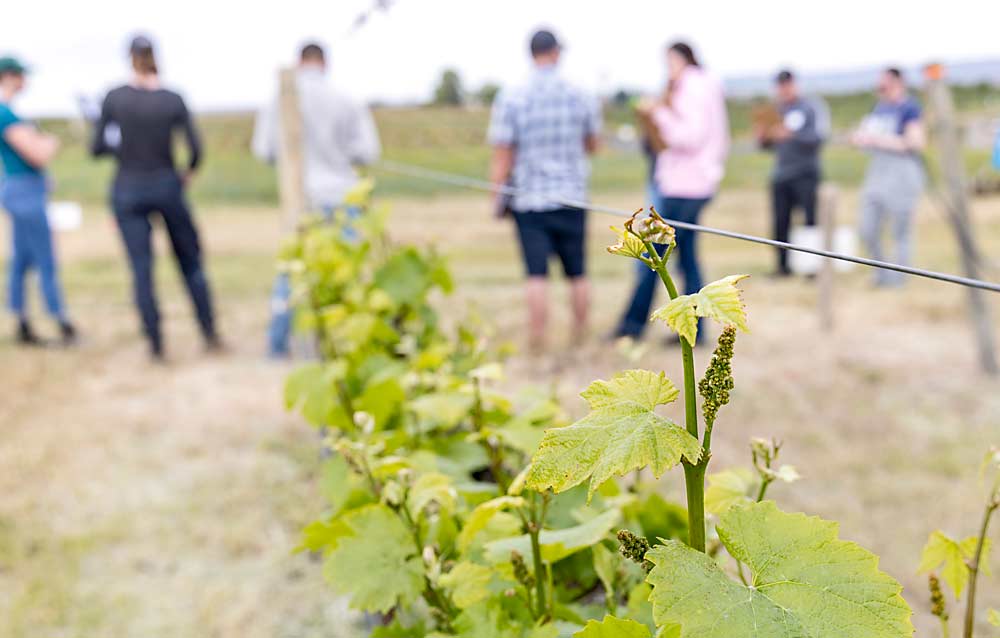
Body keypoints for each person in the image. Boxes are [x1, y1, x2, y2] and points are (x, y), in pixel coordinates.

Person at [91, 36, 219, 360]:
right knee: (190, 261)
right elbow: (195, 150)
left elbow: (97, 147)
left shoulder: (115, 97)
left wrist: (122, 149)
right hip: (167, 183)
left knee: (141, 269)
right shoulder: (172, 99)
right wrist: (185, 173)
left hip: (128, 187)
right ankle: (209, 332)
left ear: (129, 58)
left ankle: (156, 345)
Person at [252, 42, 381, 357]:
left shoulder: (277, 101)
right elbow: (368, 151)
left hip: (300, 197)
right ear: (325, 62)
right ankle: (344, 344)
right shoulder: (347, 98)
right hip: (342, 194)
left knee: (293, 272)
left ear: (300, 62)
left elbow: (264, 150)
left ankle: (278, 347)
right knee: (346, 270)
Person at [488, 29, 601, 351]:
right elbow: (592, 143)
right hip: (572, 196)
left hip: (530, 199)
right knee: (577, 273)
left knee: (536, 275)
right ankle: (580, 337)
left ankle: (538, 339)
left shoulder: (512, 95)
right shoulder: (580, 93)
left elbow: (503, 152)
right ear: (554, 52)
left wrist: (495, 197)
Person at [613, 42, 729, 342]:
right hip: (696, 182)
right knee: (686, 257)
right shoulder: (707, 84)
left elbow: (688, 135)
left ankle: (633, 325)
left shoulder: (691, 86)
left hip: (683, 184)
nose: (668, 71)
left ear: (681, 59)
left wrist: (658, 113)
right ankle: (694, 330)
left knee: (654, 255)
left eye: (669, 63)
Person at [0, 56, 76, 346]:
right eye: (20, 75)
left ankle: (21, 321)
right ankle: (62, 322)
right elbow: (37, 153)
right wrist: (50, 142)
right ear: (8, 76)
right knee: (45, 257)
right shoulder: (5, 114)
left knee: (21, 258)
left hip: (22, 188)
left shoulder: (11, 113)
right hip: (24, 193)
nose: (25, 81)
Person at [852, 67, 926, 287]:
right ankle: (881, 273)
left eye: (885, 86)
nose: (881, 90)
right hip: (877, 174)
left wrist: (877, 140)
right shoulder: (879, 109)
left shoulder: (909, 109)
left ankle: (898, 280)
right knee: (867, 228)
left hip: (903, 175)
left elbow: (915, 143)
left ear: (898, 83)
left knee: (900, 231)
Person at [756, 70, 829, 276]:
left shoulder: (810, 108)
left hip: (806, 173)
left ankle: (812, 267)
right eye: (780, 86)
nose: (784, 90)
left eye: (787, 85)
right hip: (781, 174)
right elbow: (766, 145)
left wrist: (791, 135)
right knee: (781, 222)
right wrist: (764, 137)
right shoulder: (776, 110)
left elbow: (817, 138)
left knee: (810, 221)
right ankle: (782, 266)